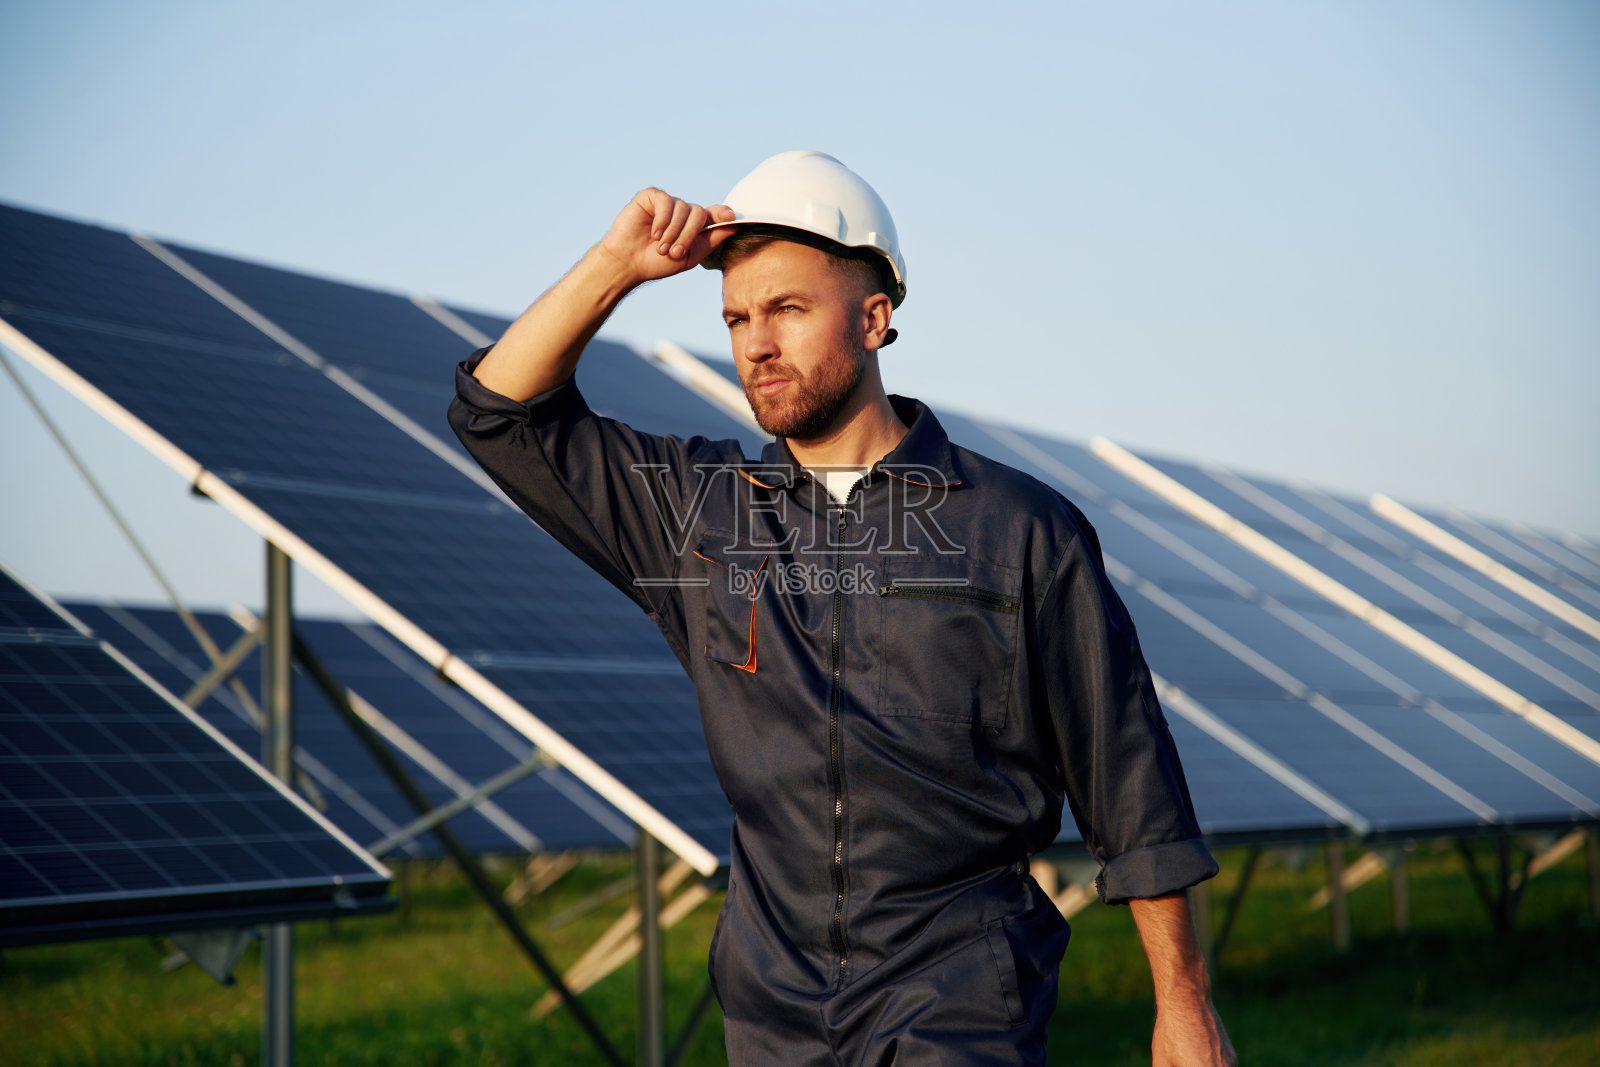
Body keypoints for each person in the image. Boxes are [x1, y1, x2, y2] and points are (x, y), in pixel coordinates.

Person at [449, 150, 1235, 1066]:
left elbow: (1128, 779)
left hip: (960, 1002)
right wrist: (616, 265)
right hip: (770, 1017)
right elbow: (499, 412)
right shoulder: (700, 515)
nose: (755, 343)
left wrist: (1183, 1004)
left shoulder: (1019, 527)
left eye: (787, 308)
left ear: (874, 319)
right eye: (738, 316)